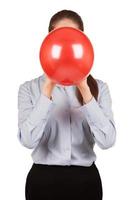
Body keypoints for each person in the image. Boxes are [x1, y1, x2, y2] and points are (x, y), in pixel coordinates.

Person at [17, 9, 116, 200]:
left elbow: (108, 141)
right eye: (59, 38)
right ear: (49, 42)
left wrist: (85, 91)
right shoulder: (29, 89)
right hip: (42, 182)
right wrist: (47, 90)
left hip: (86, 182)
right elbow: (28, 141)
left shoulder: (100, 88)